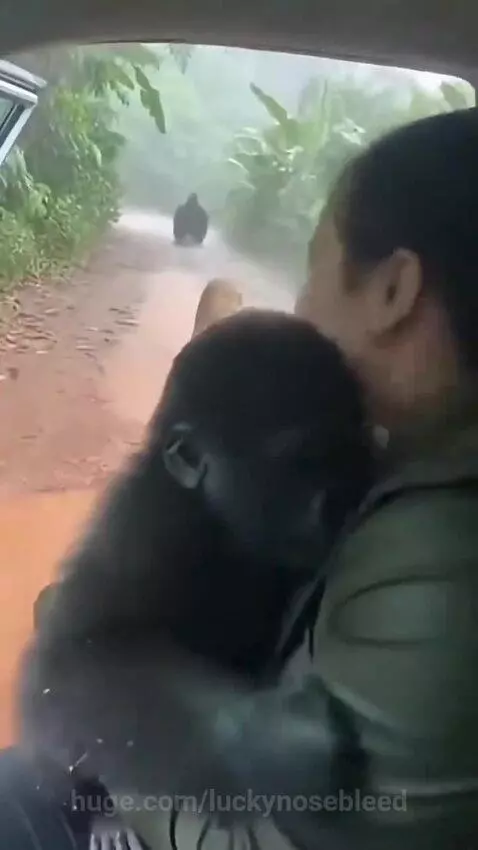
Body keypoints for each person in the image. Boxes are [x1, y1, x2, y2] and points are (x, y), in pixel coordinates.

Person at [22, 107, 478, 850]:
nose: (302, 303)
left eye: (314, 267)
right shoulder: (403, 453)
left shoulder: (441, 554)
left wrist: (181, 761)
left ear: (393, 289)